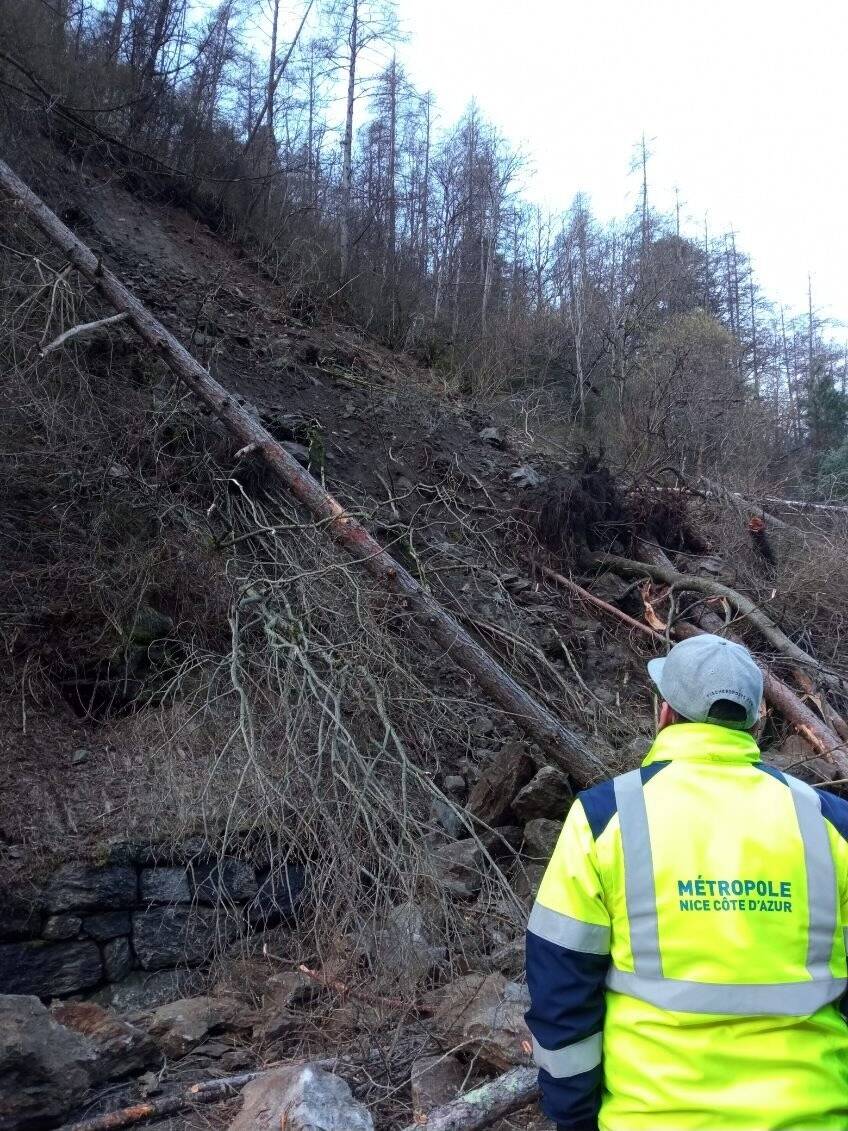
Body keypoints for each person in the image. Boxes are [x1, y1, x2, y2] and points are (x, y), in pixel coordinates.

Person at [525, 633, 848, 1131]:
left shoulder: (605, 817)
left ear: (664, 713)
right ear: (758, 719)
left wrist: (574, 1118)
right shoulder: (830, 822)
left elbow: (561, 990)